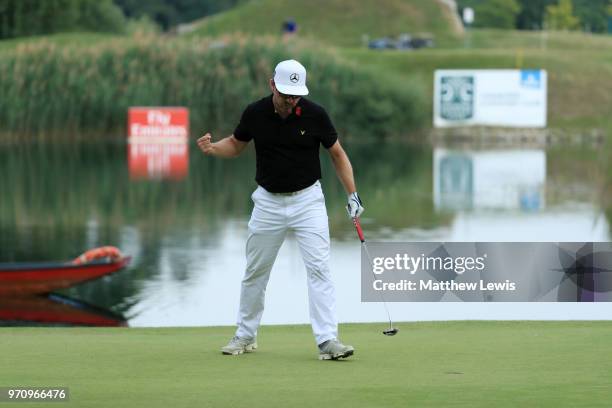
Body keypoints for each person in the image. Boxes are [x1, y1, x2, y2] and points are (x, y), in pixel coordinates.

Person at [197, 59, 364, 360]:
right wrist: (213, 148)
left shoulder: (315, 115)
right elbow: (236, 144)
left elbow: (337, 154)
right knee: (255, 271)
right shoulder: (256, 113)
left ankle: (328, 340)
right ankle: (245, 336)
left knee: (319, 269)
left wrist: (352, 195)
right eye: (286, 93)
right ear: (272, 85)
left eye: (295, 95)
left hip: (308, 200)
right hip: (268, 203)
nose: (290, 100)